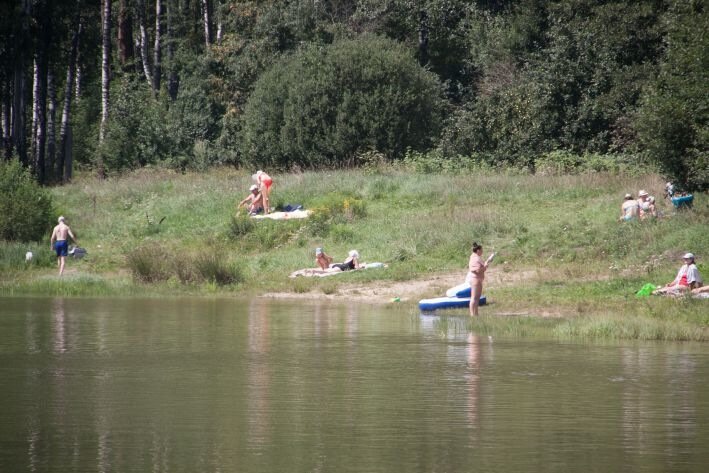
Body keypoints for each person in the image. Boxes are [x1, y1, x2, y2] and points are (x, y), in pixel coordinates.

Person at [467, 242, 494, 316]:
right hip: (475, 279)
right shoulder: (475, 258)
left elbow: (481, 267)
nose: (482, 251)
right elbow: (477, 270)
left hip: (477, 279)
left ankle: (475, 314)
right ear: (478, 250)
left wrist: (487, 261)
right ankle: (473, 315)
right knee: (474, 298)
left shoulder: (475, 257)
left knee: (476, 298)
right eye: (482, 250)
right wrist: (485, 266)